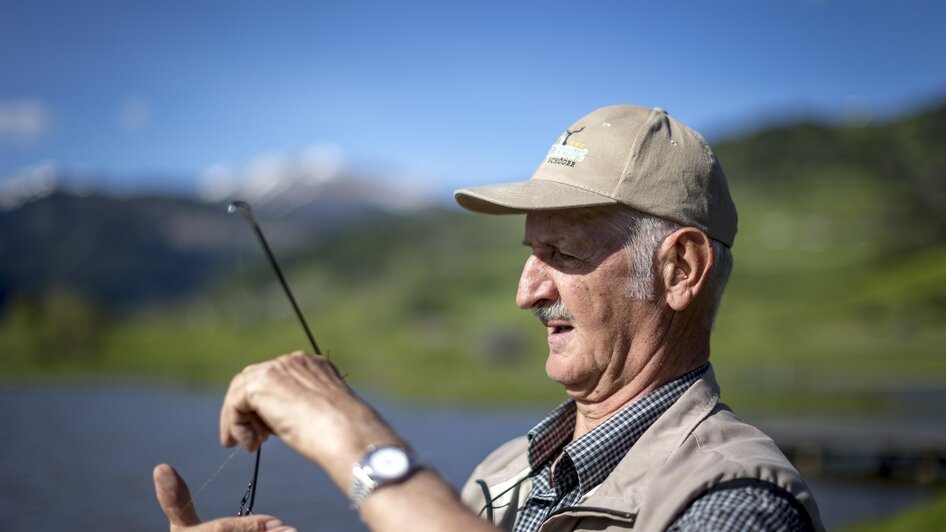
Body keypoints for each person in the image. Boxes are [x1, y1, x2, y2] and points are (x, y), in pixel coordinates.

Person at [154, 105, 824, 531]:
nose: (526, 291)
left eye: (562, 252)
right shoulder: (503, 470)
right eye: (532, 253)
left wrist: (354, 440)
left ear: (680, 270)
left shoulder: (739, 502)